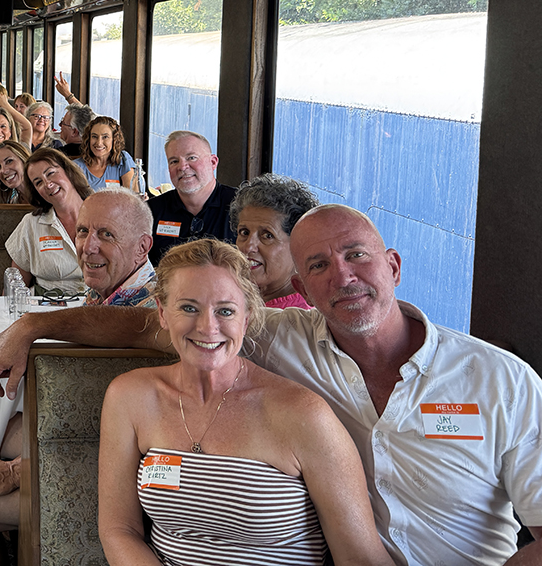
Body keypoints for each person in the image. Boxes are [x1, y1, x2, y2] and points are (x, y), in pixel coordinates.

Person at [0, 205, 542, 566]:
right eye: (320, 265)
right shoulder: (279, 338)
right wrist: (37, 326)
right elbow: (165, 327)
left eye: (357, 256)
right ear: (300, 286)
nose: (343, 276)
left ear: (394, 265)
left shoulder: (501, 381)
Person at [98, 238, 393, 566]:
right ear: (162, 312)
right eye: (188, 308)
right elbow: (118, 529)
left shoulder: (302, 414)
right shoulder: (131, 398)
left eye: (225, 311)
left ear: (248, 317)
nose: (207, 327)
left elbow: (361, 557)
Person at [0, 191, 157, 566]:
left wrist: (17, 471)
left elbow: (130, 450)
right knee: (6, 427)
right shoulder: (114, 291)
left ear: (142, 247)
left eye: (106, 235)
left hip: (123, 479)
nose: (87, 247)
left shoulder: (150, 312)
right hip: (89, 441)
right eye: (82, 232)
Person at [5, 149, 89, 295]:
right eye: (38, 182)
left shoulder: (104, 214)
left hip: (102, 309)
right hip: (49, 311)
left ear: (68, 170)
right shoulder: (31, 224)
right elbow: (15, 287)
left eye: (50, 173)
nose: (48, 184)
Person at [229, 173, 317, 309]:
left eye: (267, 236)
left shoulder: (302, 322)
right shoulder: (234, 299)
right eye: (244, 233)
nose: (248, 246)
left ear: (299, 247)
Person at [147, 131, 237, 265]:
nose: (182, 167)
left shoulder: (241, 206)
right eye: (174, 161)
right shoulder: (150, 211)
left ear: (213, 162)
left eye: (191, 158)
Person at [75, 115, 141, 193]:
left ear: (114, 140)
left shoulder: (123, 160)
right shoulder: (77, 167)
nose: (99, 143)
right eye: (94, 136)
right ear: (88, 139)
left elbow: (132, 196)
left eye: (105, 137)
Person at [0, 140, 33, 204]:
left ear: (23, 160)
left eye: (9, 161)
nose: (4, 171)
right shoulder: (14, 203)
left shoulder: (46, 195)